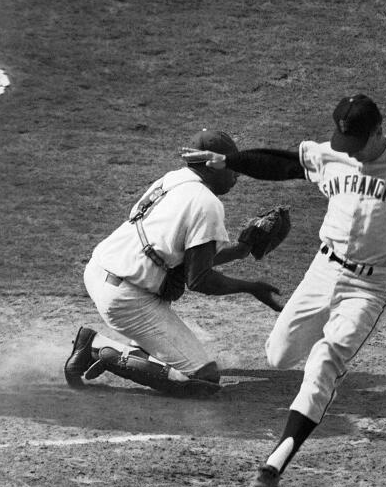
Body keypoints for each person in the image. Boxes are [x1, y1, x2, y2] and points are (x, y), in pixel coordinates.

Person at [184, 94, 386, 487]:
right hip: (322, 272)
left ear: (377, 130)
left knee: (322, 360)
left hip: (367, 287)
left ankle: (276, 461)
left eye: (357, 143)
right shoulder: (332, 153)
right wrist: (230, 162)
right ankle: (331, 367)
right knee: (279, 356)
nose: (349, 151)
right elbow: (282, 163)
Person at [63, 130, 284, 398]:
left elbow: (182, 253)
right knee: (204, 379)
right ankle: (95, 348)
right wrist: (251, 288)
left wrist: (239, 251)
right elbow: (199, 279)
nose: (238, 174)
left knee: (164, 352)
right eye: (232, 166)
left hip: (102, 269)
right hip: (128, 297)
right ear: (212, 165)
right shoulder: (206, 203)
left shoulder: (173, 179)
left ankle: (134, 350)